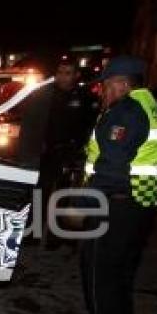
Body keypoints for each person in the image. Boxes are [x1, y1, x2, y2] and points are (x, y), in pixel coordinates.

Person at [75, 55, 157, 314]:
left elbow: (112, 167)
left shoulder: (125, 112)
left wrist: (85, 203)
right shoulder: (150, 104)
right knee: (121, 273)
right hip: (140, 204)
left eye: (106, 85)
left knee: (101, 273)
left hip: (115, 205)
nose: (103, 91)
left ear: (122, 84)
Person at [39, 59, 98, 248]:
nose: (64, 77)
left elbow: (91, 124)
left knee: (66, 196)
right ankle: (33, 234)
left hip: (73, 153)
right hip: (48, 153)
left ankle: (59, 237)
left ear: (76, 75)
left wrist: (82, 148)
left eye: (68, 72)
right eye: (61, 72)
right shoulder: (45, 96)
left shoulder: (84, 97)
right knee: (40, 193)